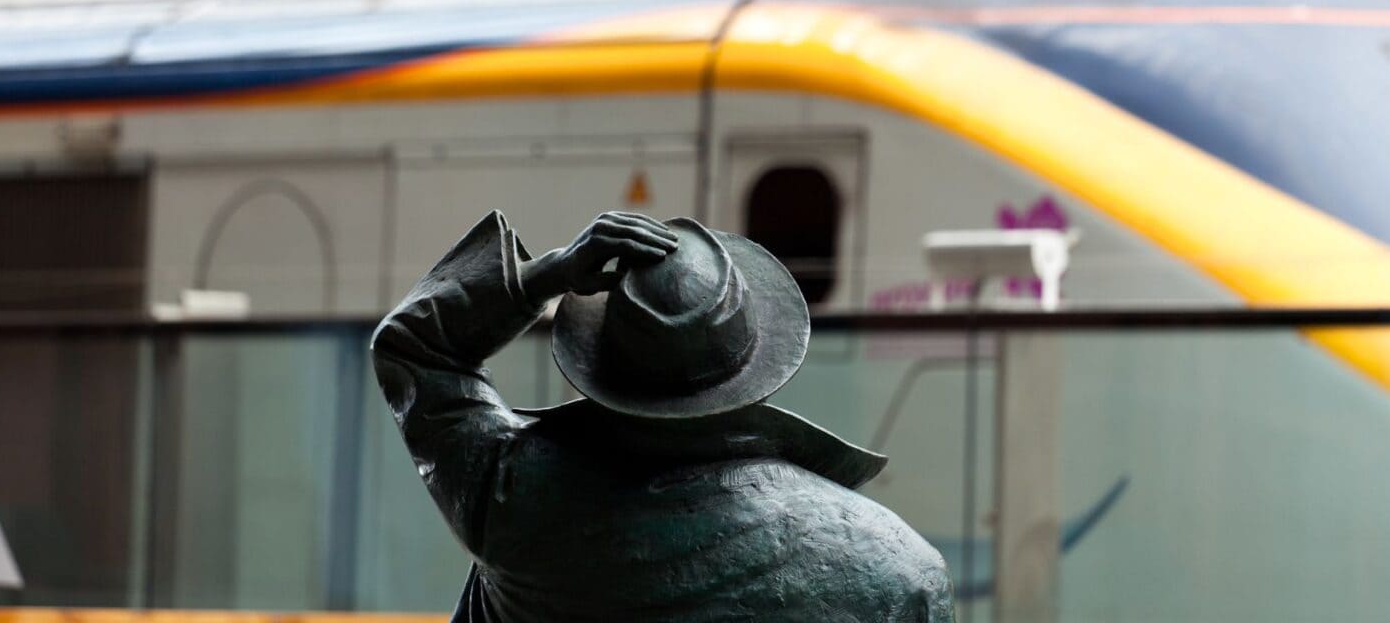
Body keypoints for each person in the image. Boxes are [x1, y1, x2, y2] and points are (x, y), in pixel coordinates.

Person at [372, 210, 956, 622]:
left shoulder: (511, 497)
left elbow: (414, 347)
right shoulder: (899, 568)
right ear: (756, 367)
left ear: (604, 366)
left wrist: (547, 275)